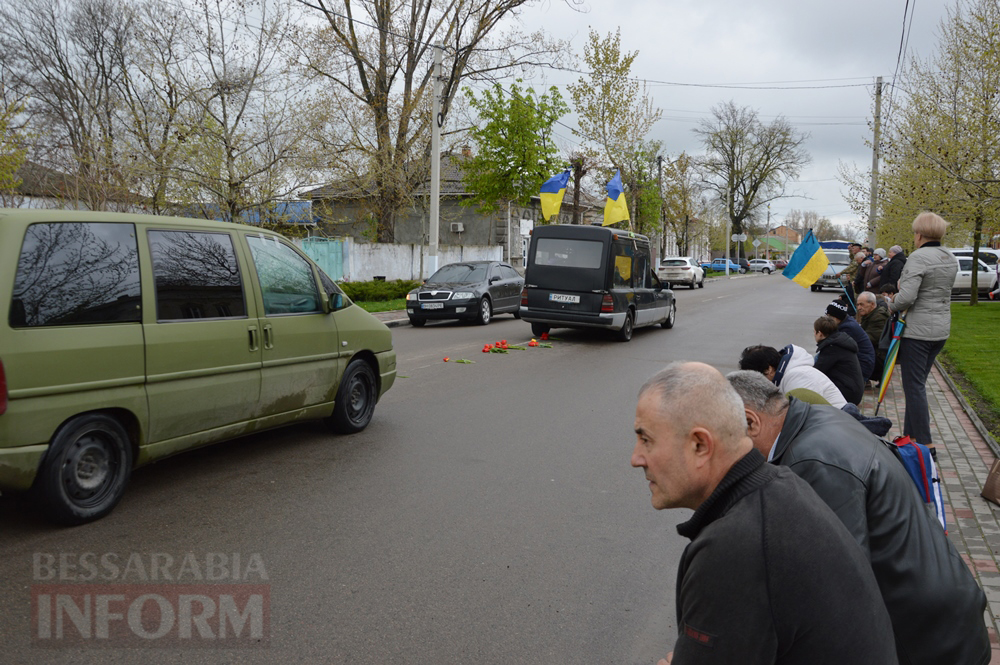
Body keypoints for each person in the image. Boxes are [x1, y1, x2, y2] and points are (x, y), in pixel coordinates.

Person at [631, 362, 897, 665]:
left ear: (700, 445)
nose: (636, 458)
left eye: (646, 439)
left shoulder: (733, 547)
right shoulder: (781, 488)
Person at [726, 370, 990, 665]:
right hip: (942, 617)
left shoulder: (813, 460)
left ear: (751, 422)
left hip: (926, 643)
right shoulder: (817, 420)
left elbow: (835, 596)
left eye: (726, 442)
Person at [887, 211, 959, 456]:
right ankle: (911, 436)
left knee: (914, 386)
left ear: (919, 235)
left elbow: (907, 297)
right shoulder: (949, 257)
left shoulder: (918, 258)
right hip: (940, 330)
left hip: (918, 331)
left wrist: (891, 301)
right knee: (916, 385)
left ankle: (926, 445)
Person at [739, 344, 846, 408]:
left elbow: (803, 418)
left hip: (840, 429)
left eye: (756, 378)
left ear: (769, 369)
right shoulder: (788, 374)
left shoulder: (797, 377)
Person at [812, 315, 863, 405]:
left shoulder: (831, 348)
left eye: (814, 332)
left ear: (820, 333)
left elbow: (817, 372)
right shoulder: (838, 341)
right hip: (853, 390)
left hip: (848, 394)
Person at [824, 299, 876, 380]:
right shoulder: (845, 323)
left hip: (861, 369)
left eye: (830, 317)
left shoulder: (847, 328)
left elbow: (834, 351)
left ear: (838, 317)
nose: (827, 319)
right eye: (827, 315)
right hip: (860, 365)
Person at [856, 290, 890, 381]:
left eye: (862, 304)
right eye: (858, 305)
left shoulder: (878, 317)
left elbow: (869, 338)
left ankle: (862, 379)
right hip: (874, 352)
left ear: (872, 304)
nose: (859, 308)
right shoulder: (870, 314)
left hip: (879, 356)